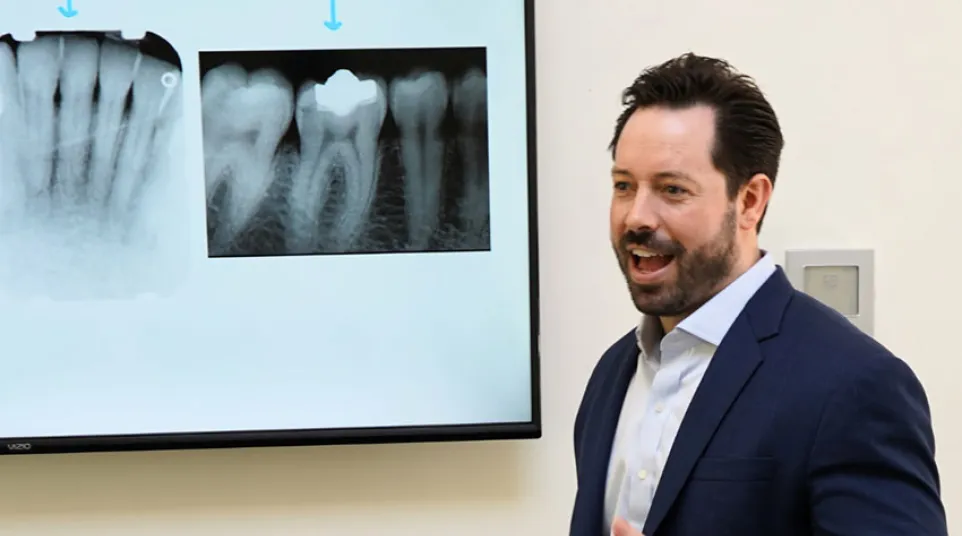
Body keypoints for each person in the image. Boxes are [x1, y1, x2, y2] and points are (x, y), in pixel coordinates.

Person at [569, 53, 948, 536]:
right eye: (624, 186)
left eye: (672, 189)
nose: (636, 216)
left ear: (749, 201)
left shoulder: (854, 385)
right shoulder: (612, 374)